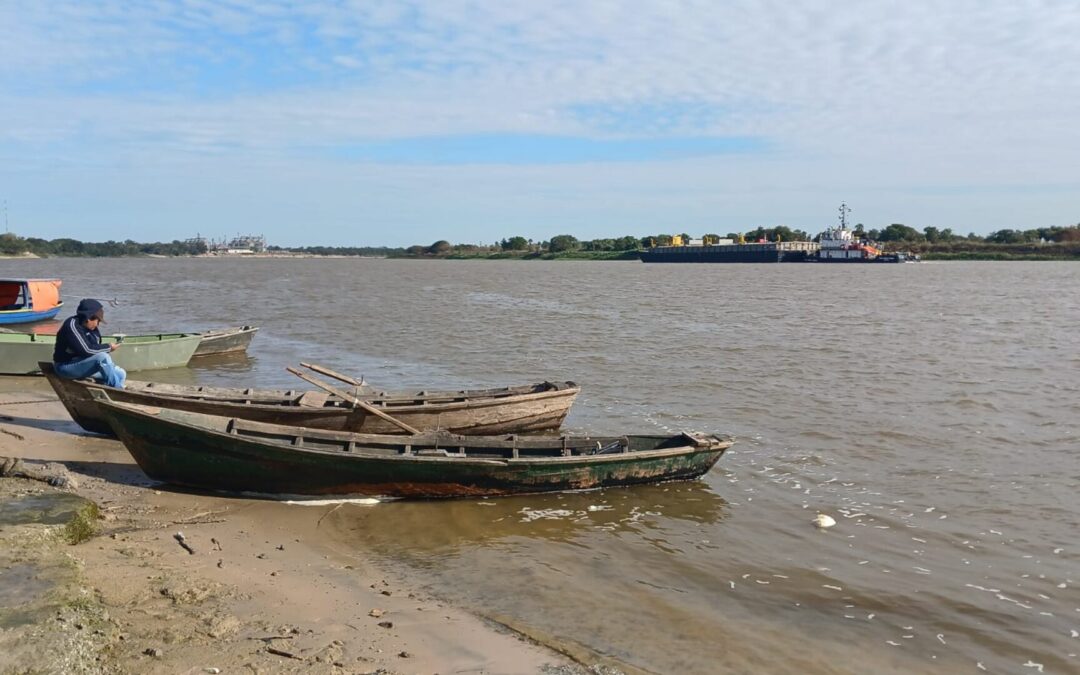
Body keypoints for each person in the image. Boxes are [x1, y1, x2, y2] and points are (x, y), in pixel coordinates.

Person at [52, 298, 126, 388]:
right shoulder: (72, 325)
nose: (98, 324)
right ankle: (118, 391)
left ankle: (108, 390)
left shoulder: (93, 330)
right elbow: (87, 350)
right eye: (97, 321)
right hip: (65, 366)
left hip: (84, 364)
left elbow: (96, 347)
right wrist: (109, 347)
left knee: (121, 374)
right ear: (88, 319)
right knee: (103, 357)